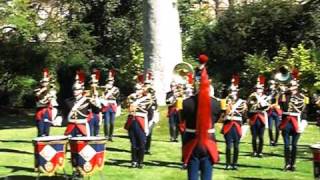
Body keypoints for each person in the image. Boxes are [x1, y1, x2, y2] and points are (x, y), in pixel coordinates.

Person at [180, 54, 220, 180]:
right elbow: (217, 119)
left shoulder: (186, 102)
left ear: (195, 84)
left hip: (191, 142)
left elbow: (181, 121)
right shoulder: (216, 103)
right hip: (209, 142)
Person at [279, 69, 308, 171]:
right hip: (286, 122)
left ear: (297, 86)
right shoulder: (284, 95)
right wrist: (282, 93)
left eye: (292, 85)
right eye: (290, 85)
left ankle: (293, 164)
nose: (290, 87)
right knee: (287, 145)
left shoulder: (302, 97)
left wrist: (303, 124)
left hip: (296, 121)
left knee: (294, 145)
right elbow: (281, 106)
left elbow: (304, 112)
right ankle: (287, 164)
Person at [125, 77, 153, 168]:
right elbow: (127, 106)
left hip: (141, 121)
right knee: (133, 144)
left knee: (141, 143)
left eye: (140, 89)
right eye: (137, 89)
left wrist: (134, 101)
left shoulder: (148, 99)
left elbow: (148, 111)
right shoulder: (132, 97)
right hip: (132, 121)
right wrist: (131, 98)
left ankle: (140, 161)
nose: (138, 90)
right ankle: (134, 161)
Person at [221, 74, 247, 170]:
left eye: (234, 91)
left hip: (237, 125)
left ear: (237, 91)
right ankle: (228, 163)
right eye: (231, 91)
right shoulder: (225, 101)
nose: (232, 92)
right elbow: (222, 114)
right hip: (228, 125)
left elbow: (244, 116)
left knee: (236, 146)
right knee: (228, 146)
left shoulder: (242, 102)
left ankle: (234, 163)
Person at [64, 70, 101, 137]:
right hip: (71, 127)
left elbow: (97, 111)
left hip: (82, 126)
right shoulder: (68, 101)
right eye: (74, 89)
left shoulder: (87, 100)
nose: (75, 91)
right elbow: (66, 114)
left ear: (81, 90)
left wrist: (96, 98)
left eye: (77, 89)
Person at [247, 75, 269, 157]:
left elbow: (267, 107)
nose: (258, 90)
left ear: (262, 89)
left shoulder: (265, 97)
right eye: (257, 89)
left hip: (262, 117)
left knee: (261, 136)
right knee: (254, 136)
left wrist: (260, 103)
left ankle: (260, 151)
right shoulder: (252, 96)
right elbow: (249, 105)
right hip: (253, 117)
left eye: (259, 89)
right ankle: (254, 151)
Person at [34, 68, 58, 137]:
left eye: (46, 82)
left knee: (47, 131)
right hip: (40, 111)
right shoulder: (37, 90)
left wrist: (50, 94)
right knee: (40, 131)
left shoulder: (51, 90)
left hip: (48, 112)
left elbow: (53, 101)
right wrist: (42, 91)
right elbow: (38, 98)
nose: (45, 83)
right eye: (43, 82)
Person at [101, 69, 120, 141]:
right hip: (106, 105)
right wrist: (106, 90)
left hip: (112, 105)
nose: (110, 82)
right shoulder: (104, 88)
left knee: (112, 122)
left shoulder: (115, 89)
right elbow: (102, 96)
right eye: (109, 81)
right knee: (106, 122)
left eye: (111, 81)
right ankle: (106, 135)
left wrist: (109, 91)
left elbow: (116, 95)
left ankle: (110, 135)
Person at [144, 72, 158, 155]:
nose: (147, 85)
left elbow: (155, 105)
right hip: (143, 114)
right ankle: (142, 147)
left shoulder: (153, 94)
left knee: (149, 133)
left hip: (151, 115)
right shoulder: (142, 94)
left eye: (148, 84)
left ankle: (147, 148)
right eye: (146, 84)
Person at [266, 80, 282, 146]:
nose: (271, 85)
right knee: (270, 128)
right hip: (270, 111)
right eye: (270, 84)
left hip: (276, 111)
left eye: (272, 84)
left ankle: (276, 141)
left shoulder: (278, 92)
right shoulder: (267, 92)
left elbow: (280, 101)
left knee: (277, 128)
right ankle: (271, 140)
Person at [88, 69, 102, 136]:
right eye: (92, 83)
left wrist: (96, 98)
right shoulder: (87, 93)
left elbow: (100, 107)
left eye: (95, 83)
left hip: (97, 114)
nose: (93, 85)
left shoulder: (100, 93)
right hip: (89, 115)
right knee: (90, 132)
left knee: (96, 132)